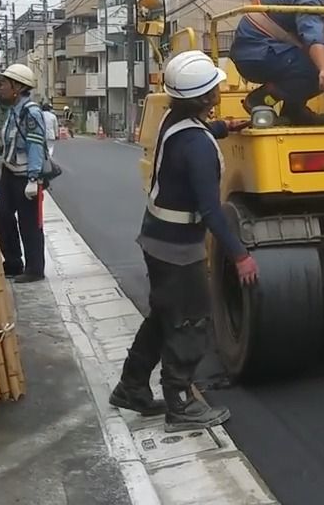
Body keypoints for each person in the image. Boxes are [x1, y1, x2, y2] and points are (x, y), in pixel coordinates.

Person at [109, 50, 258, 432]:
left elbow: (197, 132)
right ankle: (180, 403)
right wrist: (240, 256)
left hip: (156, 238)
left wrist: (225, 127)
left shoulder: (174, 120)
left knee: (163, 316)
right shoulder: (198, 148)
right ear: (206, 96)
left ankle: (131, 387)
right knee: (191, 321)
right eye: (215, 89)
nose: (218, 92)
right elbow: (211, 211)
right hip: (178, 249)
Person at [0, 63, 48, 283]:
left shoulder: (31, 113)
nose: (1, 88)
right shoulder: (12, 111)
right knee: (2, 217)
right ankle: (14, 263)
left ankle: (35, 269)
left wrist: (34, 179)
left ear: (17, 87)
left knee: (29, 224)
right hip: (10, 173)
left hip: (26, 176)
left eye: (5, 84)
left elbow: (36, 146)